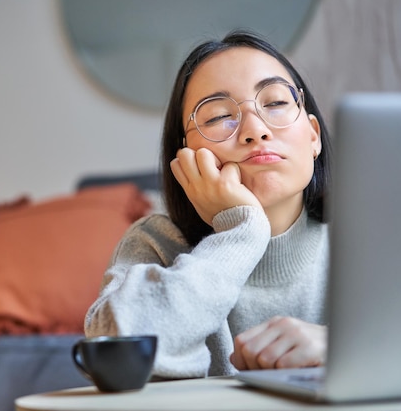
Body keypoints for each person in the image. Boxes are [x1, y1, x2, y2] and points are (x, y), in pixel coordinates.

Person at [84, 29, 332, 379]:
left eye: (275, 102)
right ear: (184, 156)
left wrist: (341, 347)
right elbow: (116, 360)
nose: (255, 129)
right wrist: (241, 230)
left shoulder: (367, 240)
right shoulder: (154, 244)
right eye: (217, 116)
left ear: (313, 136)